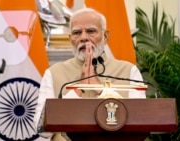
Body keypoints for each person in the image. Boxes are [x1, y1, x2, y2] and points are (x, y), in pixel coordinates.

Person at [34, 7, 146, 141]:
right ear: (70, 38)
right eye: (77, 33)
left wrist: (100, 89)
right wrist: (77, 90)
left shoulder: (128, 71)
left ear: (105, 36)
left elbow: (139, 123)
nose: (83, 38)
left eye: (91, 31)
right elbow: (42, 130)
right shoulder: (53, 73)